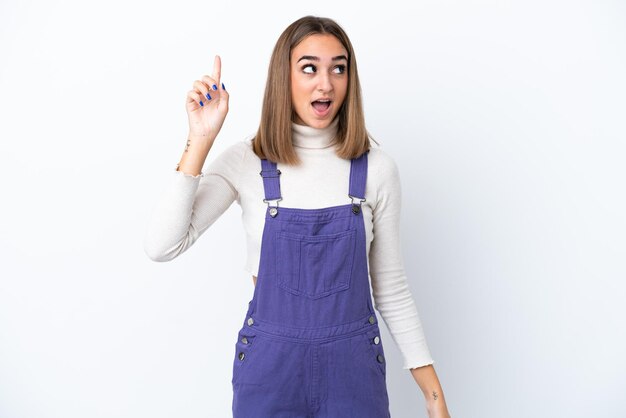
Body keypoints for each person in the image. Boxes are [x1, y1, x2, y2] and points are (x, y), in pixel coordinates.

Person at [144, 15, 451, 418]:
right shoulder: (246, 161)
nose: (325, 83)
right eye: (309, 68)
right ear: (283, 77)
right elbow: (162, 246)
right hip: (270, 374)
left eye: (338, 68)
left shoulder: (376, 169)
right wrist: (199, 140)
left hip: (353, 375)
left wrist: (434, 397)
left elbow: (391, 288)